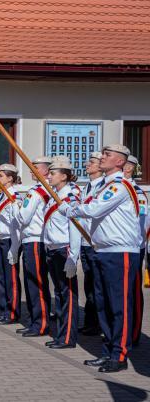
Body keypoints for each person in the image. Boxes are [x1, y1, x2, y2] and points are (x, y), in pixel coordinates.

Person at [60, 144, 141, 373]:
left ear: (120, 162)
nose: (102, 157)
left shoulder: (120, 185)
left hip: (120, 252)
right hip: (103, 250)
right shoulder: (103, 185)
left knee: (118, 306)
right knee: (103, 305)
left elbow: (94, 209)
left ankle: (120, 355)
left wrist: (69, 209)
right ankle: (108, 352)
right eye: (103, 154)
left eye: (108, 155)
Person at [42, 156, 81, 349]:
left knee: (68, 296)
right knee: (59, 293)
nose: (48, 176)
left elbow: (75, 228)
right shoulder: (54, 196)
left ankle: (68, 338)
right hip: (53, 250)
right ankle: (61, 334)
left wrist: (73, 257)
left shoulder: (69, 198)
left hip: (64, 250)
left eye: (52, 173)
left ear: (64, 176)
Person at [13, 156, 53, 337]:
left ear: (45, 170)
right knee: (32, 284)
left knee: (36, 284)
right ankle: (34, 321)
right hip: (33, 240)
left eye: (34, 167)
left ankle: (41, 323)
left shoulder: (37, 191)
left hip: (35, 240)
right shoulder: (45, 189)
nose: (31, 170)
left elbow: (23, 217)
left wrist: (16, 208)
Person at [78, 152, 104, 337]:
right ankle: (91, 322)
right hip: (85, 243)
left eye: (92, 162)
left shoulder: (105, 186)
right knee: (89, 286)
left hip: (96, 243)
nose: (88, 165)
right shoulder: (87, 186)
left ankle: (101, 324)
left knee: (99, 287)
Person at [0, 163, 21, 325]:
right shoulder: (2, 194)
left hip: (10, 240)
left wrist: (15, 248)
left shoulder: (14, 196)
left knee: (11, 279)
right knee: (1, 277)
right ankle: (3, 310)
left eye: (1, 175)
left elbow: (16, 225)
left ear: (10, 178)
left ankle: (13, 312)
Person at [123, 155, 147, 346]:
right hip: (119, 247)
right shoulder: (117, 187)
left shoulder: (136, 192)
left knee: (133, 292)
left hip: (133, 247)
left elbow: (143, 222)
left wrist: (138, 243)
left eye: (127, 166)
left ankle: (134, 332)